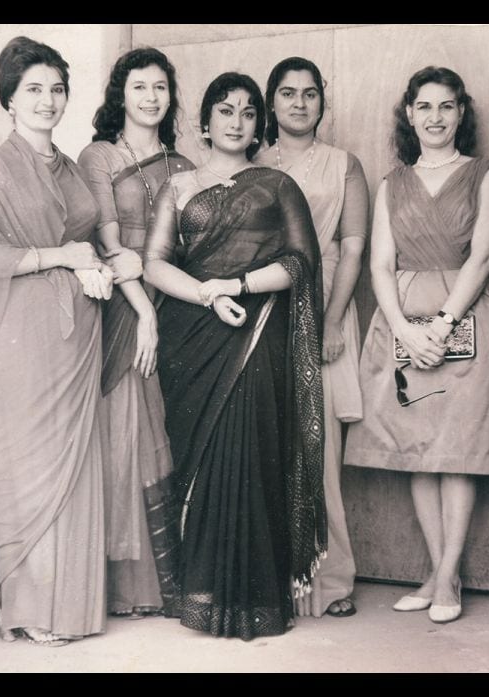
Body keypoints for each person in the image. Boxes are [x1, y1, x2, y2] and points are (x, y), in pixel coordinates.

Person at [344, 66, 489, 624]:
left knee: (457, 452)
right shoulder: (391, 182)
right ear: (409, 114)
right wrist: (404, 329)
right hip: (403, 321)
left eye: (446, 106)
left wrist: (443, 324)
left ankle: (447, 579)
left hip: (464, 316)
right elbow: (379, 264)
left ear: (461, 113)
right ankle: (437, 570)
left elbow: (484, 256)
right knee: (416, 452)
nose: (435, 117)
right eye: (424, 107)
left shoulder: (484, 175)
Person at [142, 72, 326, 640]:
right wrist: (204, 293)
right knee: (196, 458)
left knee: (247, 453)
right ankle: (200, 593)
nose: (238, 120)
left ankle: (253, 600)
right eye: (226, 110)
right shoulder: (179, 186)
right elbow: (154, 263)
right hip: (189, 337)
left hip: (253, 331)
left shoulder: (276, 184)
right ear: (205, 121)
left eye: (248, 112)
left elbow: (301, 262)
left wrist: (236, 287)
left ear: (258, 124)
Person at [0, 36, 110, 646]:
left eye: (56, 89)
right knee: (30, 469)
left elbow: (87, 241)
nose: (47, 101)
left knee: (72, 472)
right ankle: (31, 608)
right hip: (21, 343)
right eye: (33, 90)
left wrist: (94, 264)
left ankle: (68, 608)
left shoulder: (71, 167)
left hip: (76, 340)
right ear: (9, 98)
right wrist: (63, 256)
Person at [78, 48, 195, 618]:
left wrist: (165, 301)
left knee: (168, 428)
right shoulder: (98, 156)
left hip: (174, 305)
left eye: (160, 88)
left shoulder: (183, 165)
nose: (151, 97)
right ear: (120, 95)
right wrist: (143, 312)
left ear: (171, 96)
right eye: (139, 87)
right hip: (124, 311)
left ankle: (166, 582)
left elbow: (190, 249)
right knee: (124, 426)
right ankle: (122, 586)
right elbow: (105, 238)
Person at [255, 56, 368, 619]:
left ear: (323, 100)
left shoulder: (343, 164)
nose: (299, 103)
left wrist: (330, 319)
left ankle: (330, 581)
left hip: (322, 305)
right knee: (268, 444)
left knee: (319, 450)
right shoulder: (250, 162)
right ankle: (274, 578)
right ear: (271, 103)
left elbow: (352, 248)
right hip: (262, 311)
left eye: (310, 94)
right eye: (287, 93)